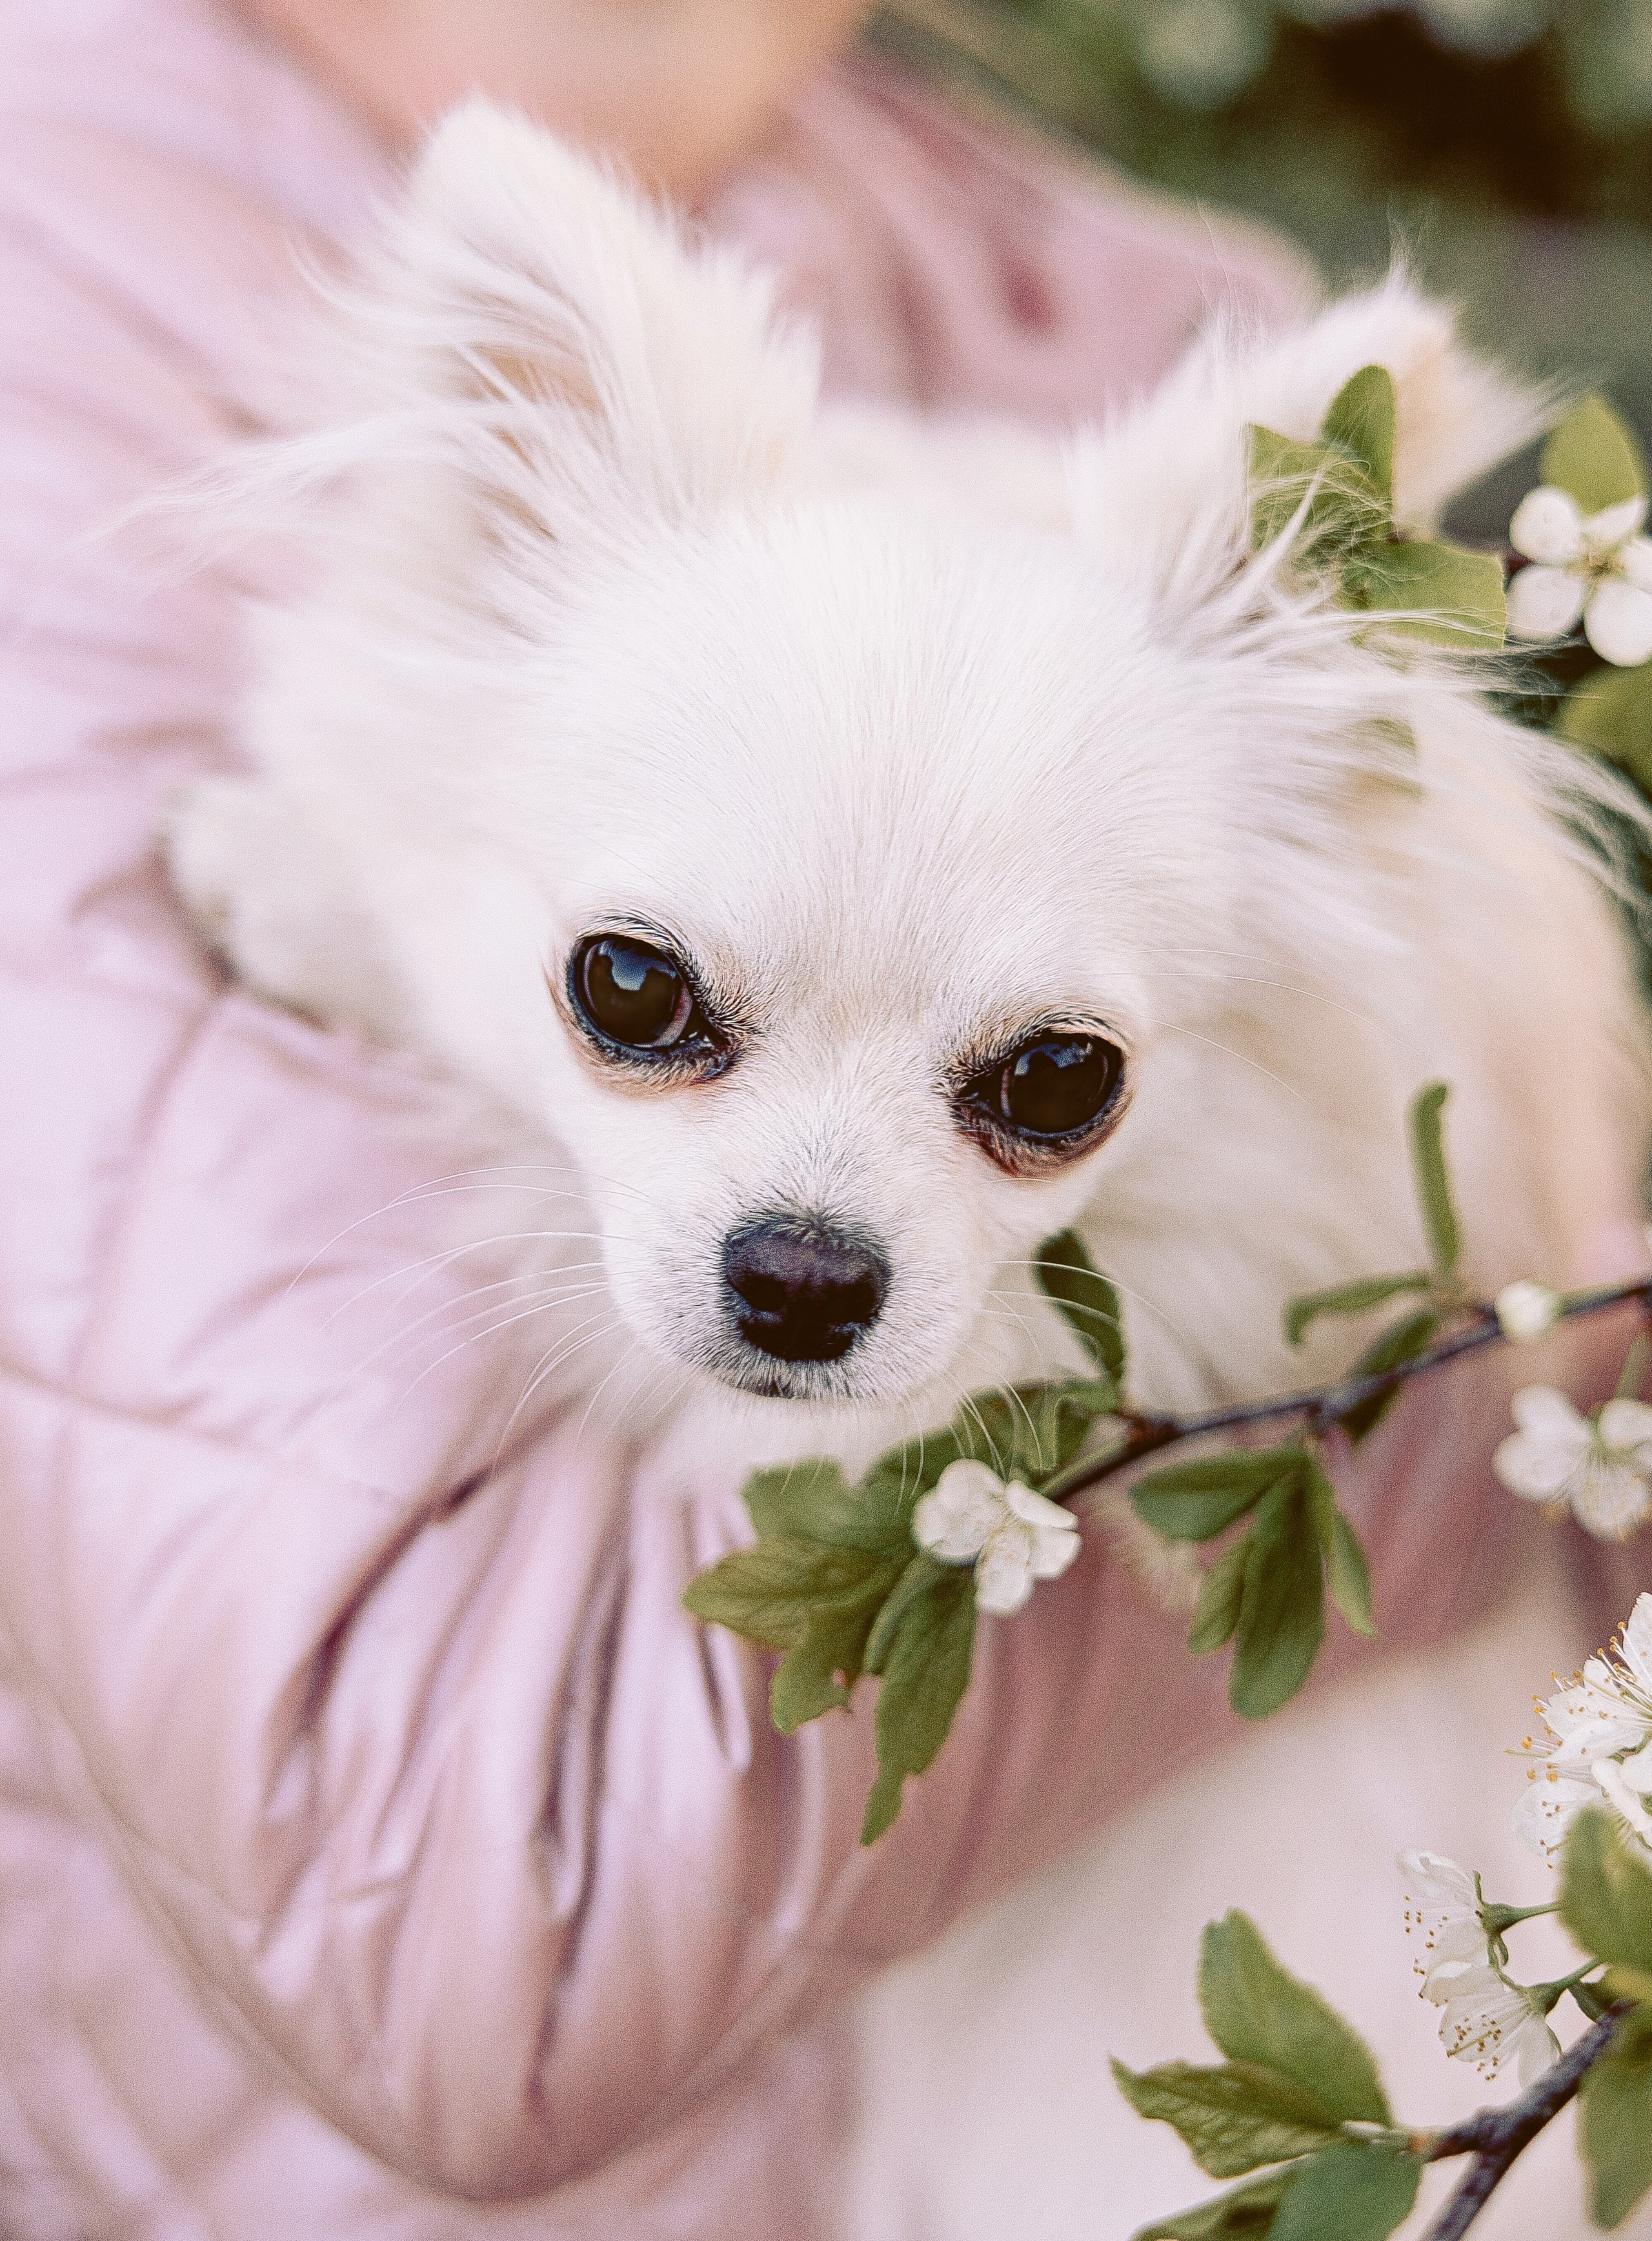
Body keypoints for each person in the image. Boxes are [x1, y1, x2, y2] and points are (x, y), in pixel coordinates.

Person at [0, 1, 1641, 2233]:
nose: (810, 1236)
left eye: (1036, 1087)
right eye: (651, 1000)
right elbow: (485, 1915)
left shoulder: (1145, 298)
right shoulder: (73, 221)